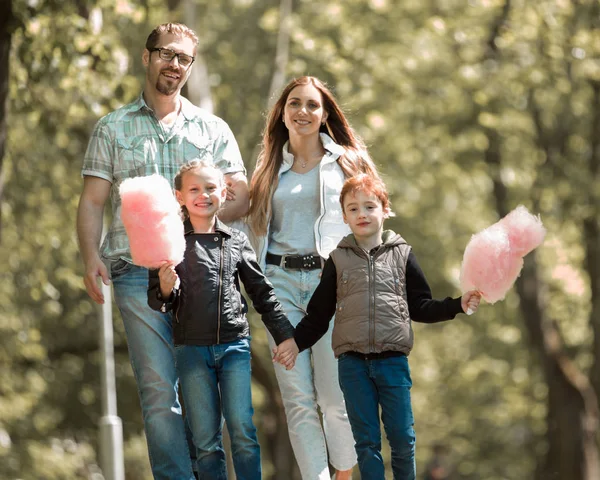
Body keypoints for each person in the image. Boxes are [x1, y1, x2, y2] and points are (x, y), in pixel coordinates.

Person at [76, 23, 248, 479]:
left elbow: (243, 195)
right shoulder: (112, 127)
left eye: (184, 59)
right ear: (147, 56)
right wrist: (90, 258)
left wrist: (212, 225)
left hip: (201, 275)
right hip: (135, 272)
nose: (175, 65)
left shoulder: (212, 128)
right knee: (158, 390)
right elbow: (93, 201)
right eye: (167, 54)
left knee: (202, 390)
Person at [274, 174, 481, 480]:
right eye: (353, 209)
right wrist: (294, 342)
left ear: (385, 209)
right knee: (367, 442)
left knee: (402, 437)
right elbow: (318, 316)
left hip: (393, 362)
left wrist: (457, 305)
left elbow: (421, 307)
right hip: (352, 364)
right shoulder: (338, 260)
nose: (362, 214)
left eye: (369, 206)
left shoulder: (403, 255)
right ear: (344, 216)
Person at [246, 76, 380, 480]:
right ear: (282, 114)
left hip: (332, 287)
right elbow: (251, 226)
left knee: (333, 395)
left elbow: (372, 218)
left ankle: (343, 473)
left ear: (324, 115)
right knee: (297, 397)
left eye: (311, 105)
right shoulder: (269, 166)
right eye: (294, 104)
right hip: (280, 285)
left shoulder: (349, 161)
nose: (302, 111)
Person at [147, 160, 297, 479]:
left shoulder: (237, 242)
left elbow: (262, 293)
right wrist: (164, 286)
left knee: (243, 432)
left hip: (234, 349)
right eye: (194, 189)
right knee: (205, 441)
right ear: (180, 197)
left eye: (211, 187)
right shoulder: (168, 243)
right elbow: (158, 299)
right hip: (191, 352)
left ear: (225, 192)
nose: (204, 194)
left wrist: (286, 336)